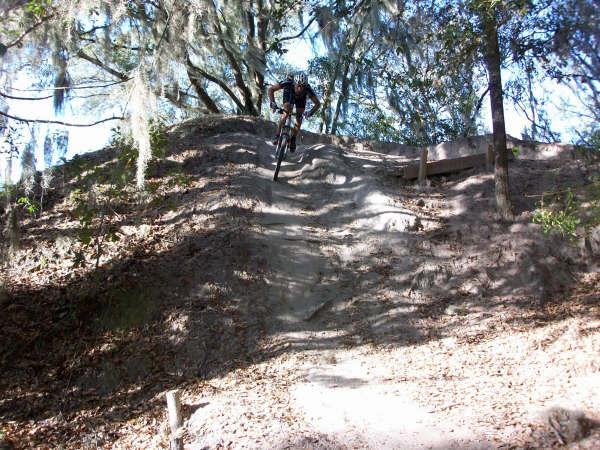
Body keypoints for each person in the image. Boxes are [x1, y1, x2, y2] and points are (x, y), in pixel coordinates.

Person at [268, 72, 320, 152]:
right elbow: (271, 89)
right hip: (289, 93)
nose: (300, 88)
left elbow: (317, 104)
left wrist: (310, 112)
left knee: (299, 118)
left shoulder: (307, 89)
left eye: (303, 86)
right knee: (286, 112)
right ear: (294, 83)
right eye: (298, 85)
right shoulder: (288, 83)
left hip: (301, 99)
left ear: (305, 86)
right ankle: (277, 135)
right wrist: (272, 102)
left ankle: (293, 139)